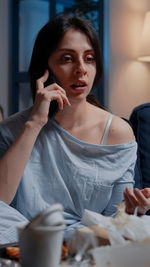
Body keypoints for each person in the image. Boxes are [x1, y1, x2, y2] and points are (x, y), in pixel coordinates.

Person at [0, 14, 137, 244]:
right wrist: (34, 124)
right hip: (26, 239)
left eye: (90, 58)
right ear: (45, 68)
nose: (81, 69)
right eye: (67, 58)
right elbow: (1, 201)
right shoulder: (13, 129)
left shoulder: (118, 132)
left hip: (84, 242)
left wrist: (134, 210)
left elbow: (117, 218)